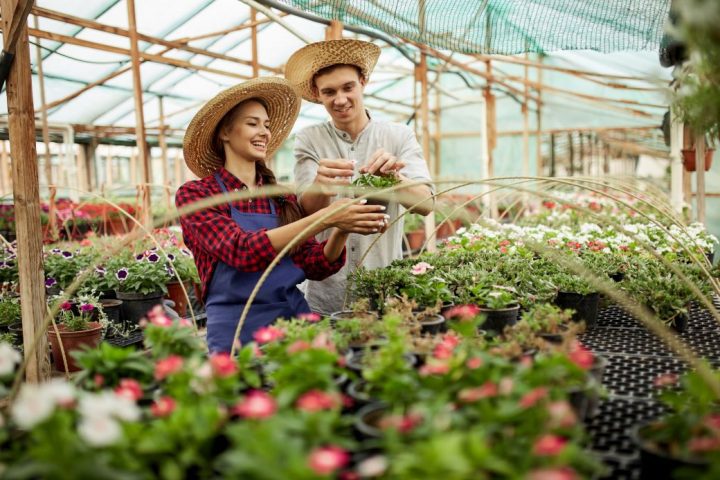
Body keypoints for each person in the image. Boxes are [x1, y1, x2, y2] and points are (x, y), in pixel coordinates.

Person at [176, 77, 387, 353]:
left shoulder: (280, 197)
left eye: (266, 125)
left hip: (294, 323)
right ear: (225, 133)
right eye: (252, 123)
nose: (264, 132)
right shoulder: (197, 196)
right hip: (237, 331)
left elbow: (315, 264)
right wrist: (325, 217)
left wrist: (343, 226)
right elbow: (242, 250)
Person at [285, 39, 434, 315]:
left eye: (347, 87)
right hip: (325, 292)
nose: (339, 100)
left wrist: (394, 179)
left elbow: (426, 204)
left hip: (382, 288)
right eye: (329, 92)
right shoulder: (310, 139)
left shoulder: (398, 135)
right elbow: (304, 212)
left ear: (363, 82)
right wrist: (321, 185)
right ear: (318, 94)